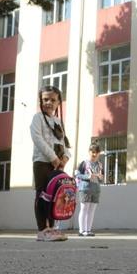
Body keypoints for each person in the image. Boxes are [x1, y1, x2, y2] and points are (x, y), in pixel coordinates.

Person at [30, 85, 71, 242]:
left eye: (53, 100)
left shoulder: (58, 121)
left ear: (59, 102)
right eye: (45, 99)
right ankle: (42, 230)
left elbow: (64, 143)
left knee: (54, 196)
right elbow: (37, 138)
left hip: (57, 165)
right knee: (42, 195)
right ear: (40, 101)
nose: (49, 103)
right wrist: (53, 157)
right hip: (42, 162)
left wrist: (65, 157)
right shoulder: (38, 118)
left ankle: (52, 228)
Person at [75, 142, 104, 237]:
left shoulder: (100, 165)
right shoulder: (84, 163)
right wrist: (87, 176)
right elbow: (77, 174)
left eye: (97, 152)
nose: (95, 154)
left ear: (99, 153)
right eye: (93, 152)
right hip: (85, 189)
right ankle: (82, 230)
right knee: (84, 209)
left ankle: (88, 230)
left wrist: (101, 177)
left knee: (91, 211)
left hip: (96, 190)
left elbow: (101, 178)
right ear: (89, 152)